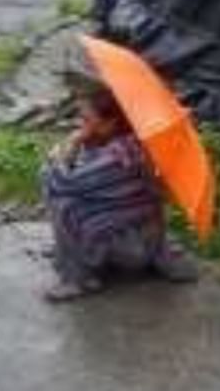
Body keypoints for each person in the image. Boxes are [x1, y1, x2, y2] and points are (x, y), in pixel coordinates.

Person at [40, 82, 198, 302]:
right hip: (139, 230)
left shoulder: (117, 157)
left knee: (65, 204)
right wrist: (80, 144)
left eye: (87, 119)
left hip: (136, 245)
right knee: (73, 200)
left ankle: (79, 279)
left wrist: (68, 146)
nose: (81, 124)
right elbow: (85, 178)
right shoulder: (124, 141)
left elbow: (61, 182)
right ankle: (72, 252)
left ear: (111, 123)